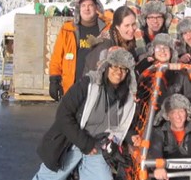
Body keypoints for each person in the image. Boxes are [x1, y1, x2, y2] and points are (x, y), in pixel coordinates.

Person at [32, 47, 137, 180]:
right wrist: (85, 144)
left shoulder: (127, 98)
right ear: (106, 66)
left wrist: (131, 136)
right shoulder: (88, 84)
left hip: (98, 148)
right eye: (114, 66)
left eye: (123, 69)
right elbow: (63, 115)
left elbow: (117, 126)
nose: (118, 72)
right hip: (71, 142)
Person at [49, 0, 106, 101]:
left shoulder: (106, 29)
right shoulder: (67, 29)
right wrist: (54, 80)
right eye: (83, 5)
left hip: (97, 88)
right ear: (78, 8)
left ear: (96, 7)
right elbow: (56, 57)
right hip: (72, 88)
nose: (87, 9)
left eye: (90, 5)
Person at [83, 5, 137, 74]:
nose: (131, 29)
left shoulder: (130, 42)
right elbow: (94, 76)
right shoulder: (105, 45)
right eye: (127, 25)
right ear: (117, 26)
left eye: (133, 24)